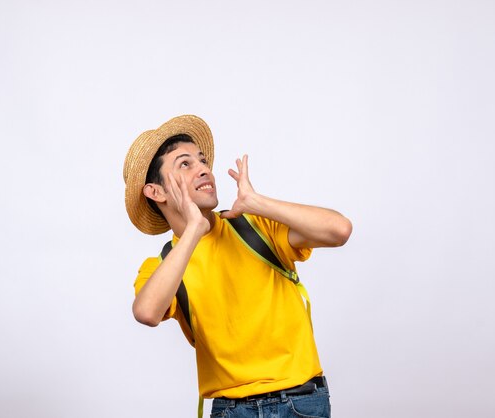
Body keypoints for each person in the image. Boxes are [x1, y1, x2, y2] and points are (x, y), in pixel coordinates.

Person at [123, 114, 352, 417]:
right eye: (185, 164)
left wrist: (257, 202)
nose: (204, 169)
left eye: (202, 161)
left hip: (302, 402)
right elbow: (147, 313)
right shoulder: (163, 266)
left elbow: (340, 230)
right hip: (231, 410)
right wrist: (193, 230)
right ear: (157, 192)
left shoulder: (256, 226)